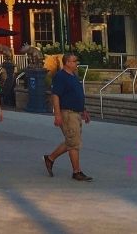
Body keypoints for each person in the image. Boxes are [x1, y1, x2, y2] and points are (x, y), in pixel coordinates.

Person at [44, 52, 92, 182]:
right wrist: (57, 114)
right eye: (74, 61)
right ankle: (77, 171)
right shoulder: (61, 76)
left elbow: (77, 94)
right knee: (74, 143)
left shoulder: (73, 76)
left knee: (72, 141)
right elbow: (55, 95)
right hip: (67, 113)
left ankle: (50, 158)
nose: (76, 63)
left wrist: (84, 110)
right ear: (67, 63)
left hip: (76, 113)